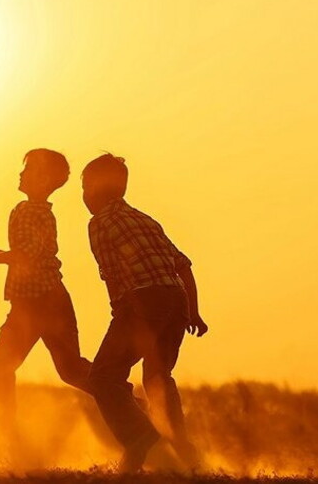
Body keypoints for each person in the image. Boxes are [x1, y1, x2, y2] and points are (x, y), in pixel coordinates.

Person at [0, 149, 92, 450]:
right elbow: (22, 256)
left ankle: (5, 439)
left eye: (28, 169)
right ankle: (124, 397)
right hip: (38, 301)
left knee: (3, 365)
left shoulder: (34, 212)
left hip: (41, 302)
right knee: (70, 371)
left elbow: (25, 257)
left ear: (44, 180)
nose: (21, 173)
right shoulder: (27, 210)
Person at [80, 153, 208, 473]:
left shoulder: (100, 223)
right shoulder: (146, 220)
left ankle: (139, 438)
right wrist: (193, 312)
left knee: (104, 377)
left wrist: (122, 312)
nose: (83, 196)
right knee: (158, 377)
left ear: (94, 188)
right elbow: (183, 266)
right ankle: (183, 449)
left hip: (142, 301)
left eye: (84, 187)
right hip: (176, 299)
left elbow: (112, 275)